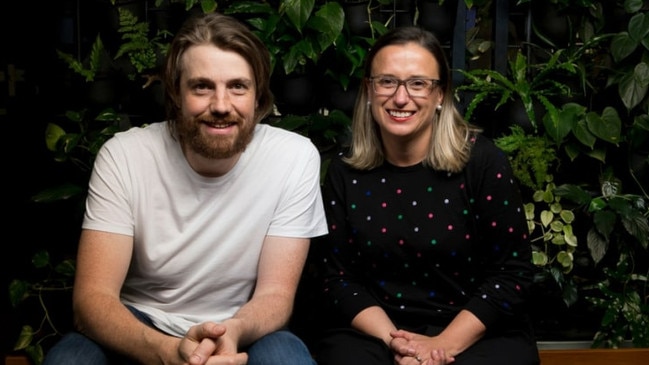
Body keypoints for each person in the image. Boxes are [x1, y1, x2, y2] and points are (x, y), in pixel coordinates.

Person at [43, 11, 327, 365]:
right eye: (201, 86)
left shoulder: (293, 157)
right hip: (141, 323)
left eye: (237, 86)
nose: (221, 106)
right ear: (176, 93)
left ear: (258, 96)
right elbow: (92, 300)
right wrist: (166, 352)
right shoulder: (124, 155)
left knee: (287, 358)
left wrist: (233, 332)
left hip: (242, 326)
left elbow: (275, 296)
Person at [311, 26, 540, 365]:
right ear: (369, 91)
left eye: (418, 83)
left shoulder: (484, 162)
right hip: (378, 330)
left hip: (475, 327)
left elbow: (512, 274)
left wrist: (441, 346)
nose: (401, 98)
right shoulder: (345, 172)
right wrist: (399, 344)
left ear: (441, 95)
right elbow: (338, 279)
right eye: (387, 81)